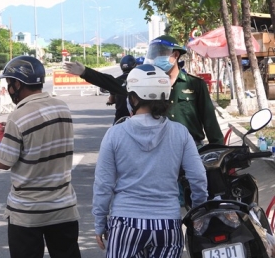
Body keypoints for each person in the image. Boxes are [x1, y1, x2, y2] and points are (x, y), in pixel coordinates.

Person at [92, 64, 208, 258]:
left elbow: (104, 184)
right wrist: (198, 212)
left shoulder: (114, 134)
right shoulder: (180, 133)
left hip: (126, 223)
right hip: (168, 225)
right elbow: (198, 178)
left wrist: (99, 221)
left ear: (134, 98)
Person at [0, 55, 81, 258]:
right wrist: (13, 132)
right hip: (63, 207)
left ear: (18, 84)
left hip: (28, 212)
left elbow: (3, 162)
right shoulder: (62, 107)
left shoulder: (18, 116)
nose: (8, 89)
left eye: (9, 83)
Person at [64, 35, 224, 145]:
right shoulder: (146, 82)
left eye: (161, 53)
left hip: (192, 147)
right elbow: (113, 83)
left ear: (175, 55)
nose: (156, 58)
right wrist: (86, 72)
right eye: (154, 54)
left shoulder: (195, 84)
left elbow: (210, 122)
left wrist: (220, 154)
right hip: (159, 148)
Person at [105, 55, 137, 123]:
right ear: (134, 65)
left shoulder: (116, 81)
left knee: (113, 132)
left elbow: (111, 99)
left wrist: (110, 102)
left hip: (120, 118)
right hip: (135, 117)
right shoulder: (138, 79)